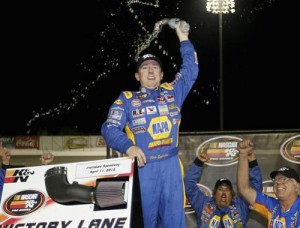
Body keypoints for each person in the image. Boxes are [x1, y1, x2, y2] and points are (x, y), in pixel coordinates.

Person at [101, 20, 199, 228]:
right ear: (137, 76)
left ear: (162, 75)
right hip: (143, 168)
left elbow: (191, 70)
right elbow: (108, 128)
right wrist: (129, 146)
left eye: (155, 67)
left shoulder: (172, 92)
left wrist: (183, 38)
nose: (151, 71)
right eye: (145, 68)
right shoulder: (126, 99)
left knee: (174, 223)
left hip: (171, 166)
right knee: (145, 222)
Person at [184, 143, 263, 228]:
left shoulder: (240, 206)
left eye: (227, 189)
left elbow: (256, 189)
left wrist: (252, 163)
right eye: (220, 189)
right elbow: (189, 184)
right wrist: (198, 163)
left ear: (232, 195)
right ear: (214, 194)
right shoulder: (203, 204)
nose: (224, 192)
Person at [237, 139, 300, 228]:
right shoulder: (272, 206)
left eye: (284, 179)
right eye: (276, 180)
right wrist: (243, 154)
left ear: (297, 186)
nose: (278, 183)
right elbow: (244, 189)